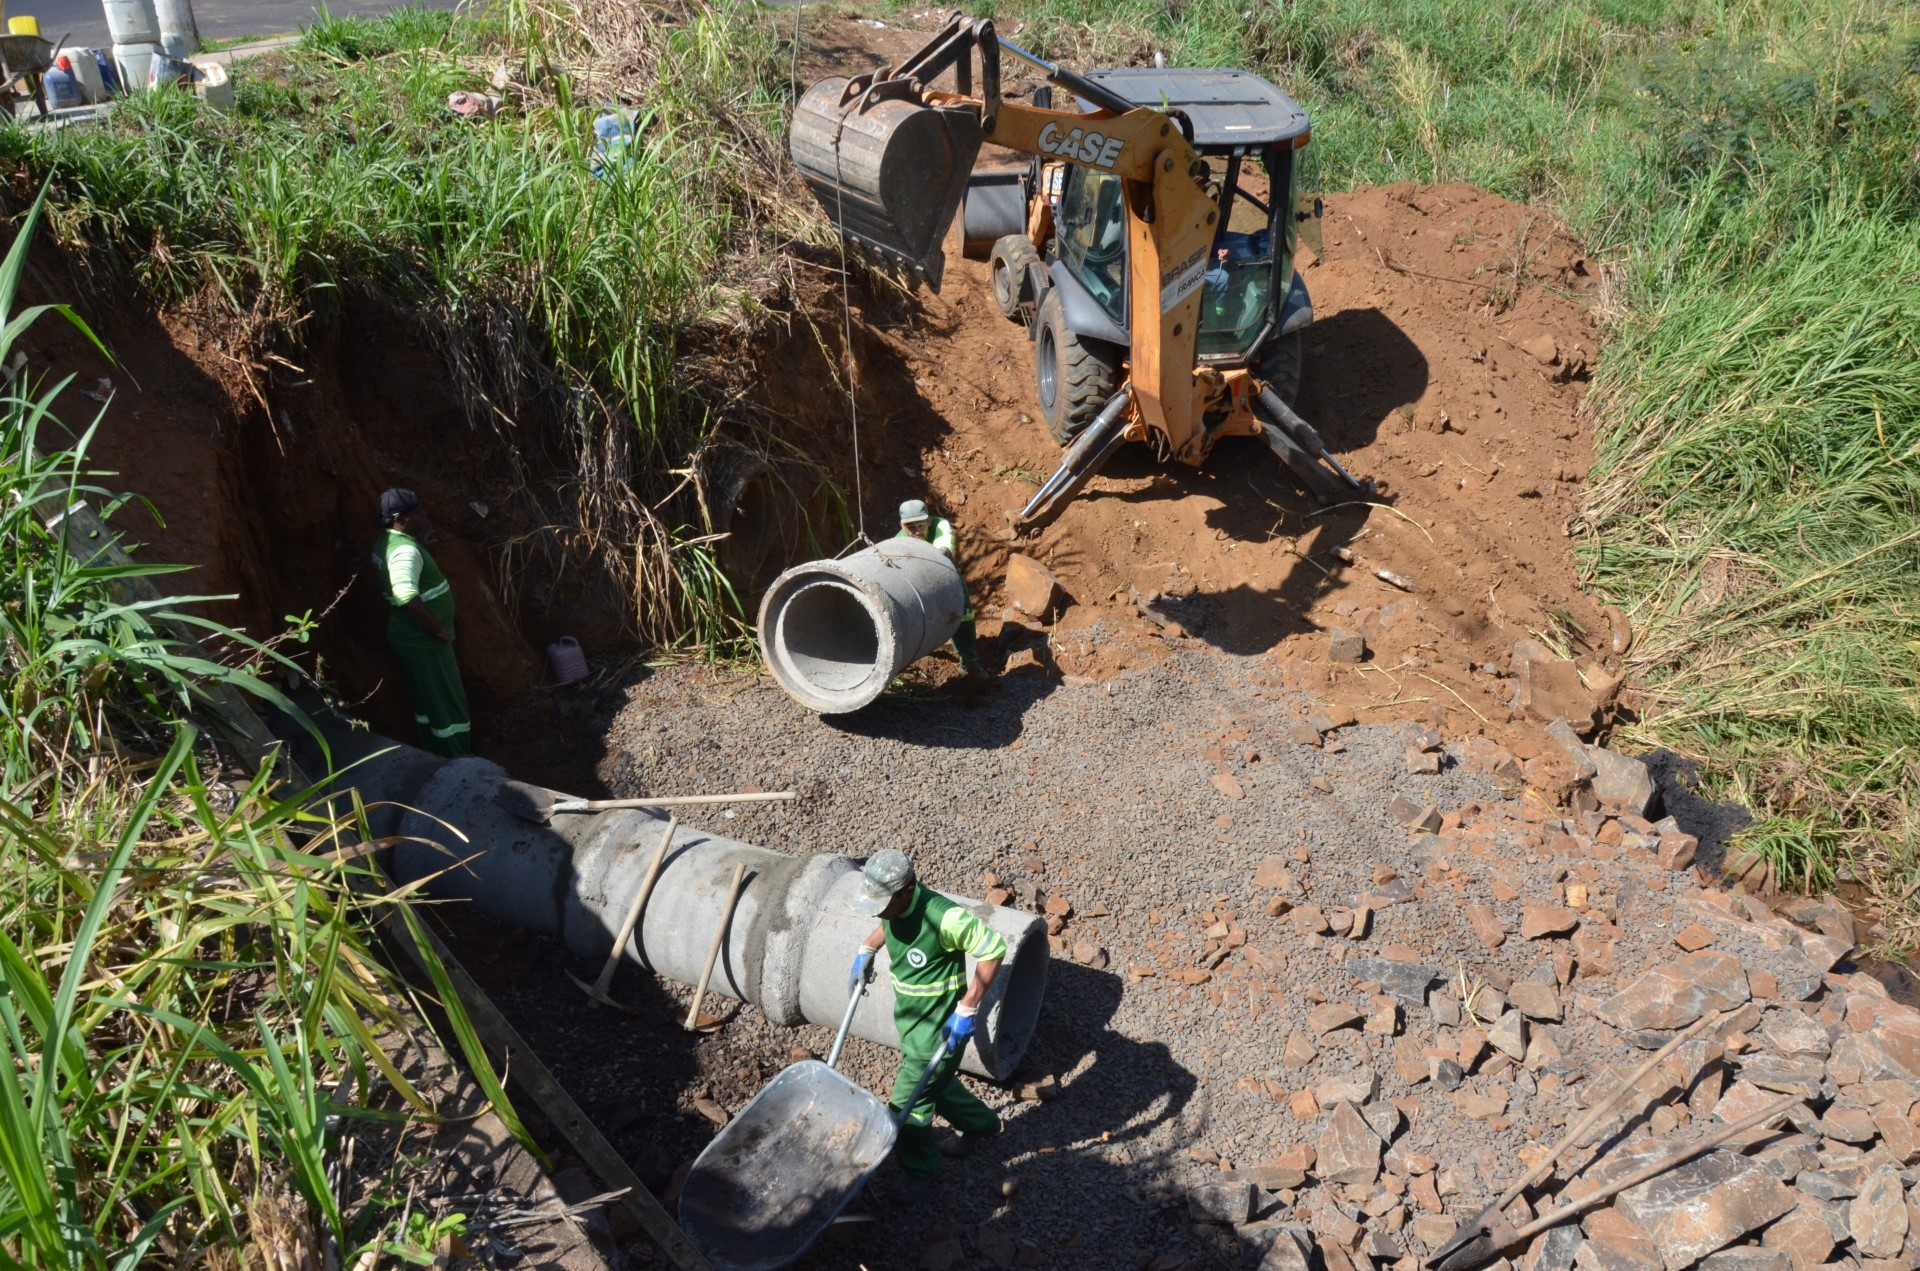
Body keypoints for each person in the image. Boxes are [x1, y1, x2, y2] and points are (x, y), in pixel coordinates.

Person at [849, 850, 1004, 1187]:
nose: (881, 912)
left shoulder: (944, 918)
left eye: (883, 904)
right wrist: (867, 948)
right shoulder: (895, 907)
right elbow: (888, 922)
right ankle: (982, 1124)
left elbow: (993, 949)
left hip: (937, 1032)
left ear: (907, 891)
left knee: (909, 1109)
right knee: (938, 1083)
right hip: (912, 1023)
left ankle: (921, 1170)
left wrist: (967, 1007)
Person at [371, 488, 471, 757]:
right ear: (402, 518)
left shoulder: (385, 543)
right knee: (446, 703)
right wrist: (438, 629)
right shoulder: (405, 552)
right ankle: (459, 759)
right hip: (424, 640)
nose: (425, 515)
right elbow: (405, 596)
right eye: (419, 513)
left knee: (427, 702)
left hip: (408, 638)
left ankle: (434, 754)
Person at [896, 499, 981, 675]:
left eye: (921, 524)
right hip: (919, 587)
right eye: (912, 527)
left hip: (947, 577)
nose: (918, 530)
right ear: (903, 526)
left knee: (964, 615)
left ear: (929, 520)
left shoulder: (939, 525)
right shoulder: (899, 540)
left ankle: (969, 662)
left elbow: (944, 547)